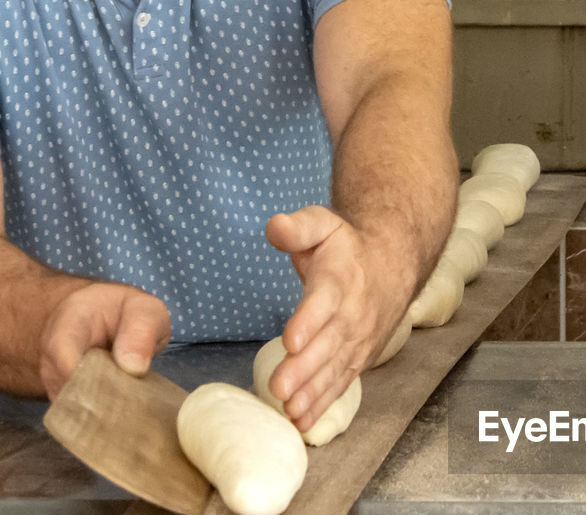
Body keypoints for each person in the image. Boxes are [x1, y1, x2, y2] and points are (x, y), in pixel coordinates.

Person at [0, 0, 457, 432]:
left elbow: (391, 73)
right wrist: (36, 320)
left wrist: (382, 250)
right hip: (42, 410)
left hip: (310, 370)